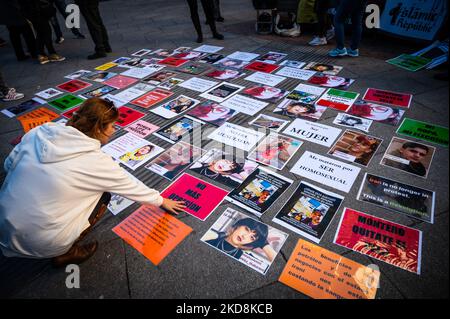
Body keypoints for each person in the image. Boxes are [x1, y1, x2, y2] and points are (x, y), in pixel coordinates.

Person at [0, 97, 185, 267]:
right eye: (112, 126)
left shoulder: (41, 131)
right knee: (104, 195)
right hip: (40, 241)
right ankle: (67, 252)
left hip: (4, 222)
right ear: (98, 128)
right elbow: (130, 187)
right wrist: (162, 201)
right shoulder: (95, 161)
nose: (114, 131)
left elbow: (9, 165)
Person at [205, 217, 276, 262]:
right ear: (238, 226)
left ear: (251, 242)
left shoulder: (244, 257)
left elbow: (276, 261)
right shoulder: (211, 239)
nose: (244, 236)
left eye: (252, 237)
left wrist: (264, 244)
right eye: (246, 229)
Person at [18, 0, 66, 64]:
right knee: (46, 31)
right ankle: (50, 53)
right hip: (38, 10)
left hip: (30, 10)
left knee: (41, 32)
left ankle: (42, 54)